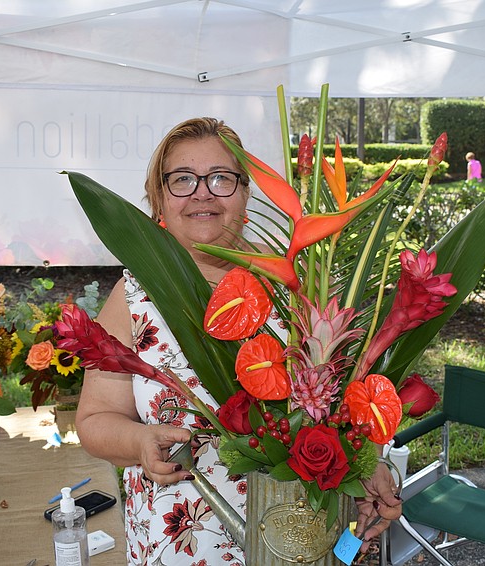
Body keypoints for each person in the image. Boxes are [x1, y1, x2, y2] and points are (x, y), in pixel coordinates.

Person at [75, 117, 402, 565]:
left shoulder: (303, 290)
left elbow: (351, 412)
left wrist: (371, 467)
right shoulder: (133, 298)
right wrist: (138, 441)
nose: (202, 192)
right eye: (182, 179)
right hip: (178, 544)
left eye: (221, 178)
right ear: (158, 201)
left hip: (300, 541)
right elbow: (95, 420)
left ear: (246, 194)